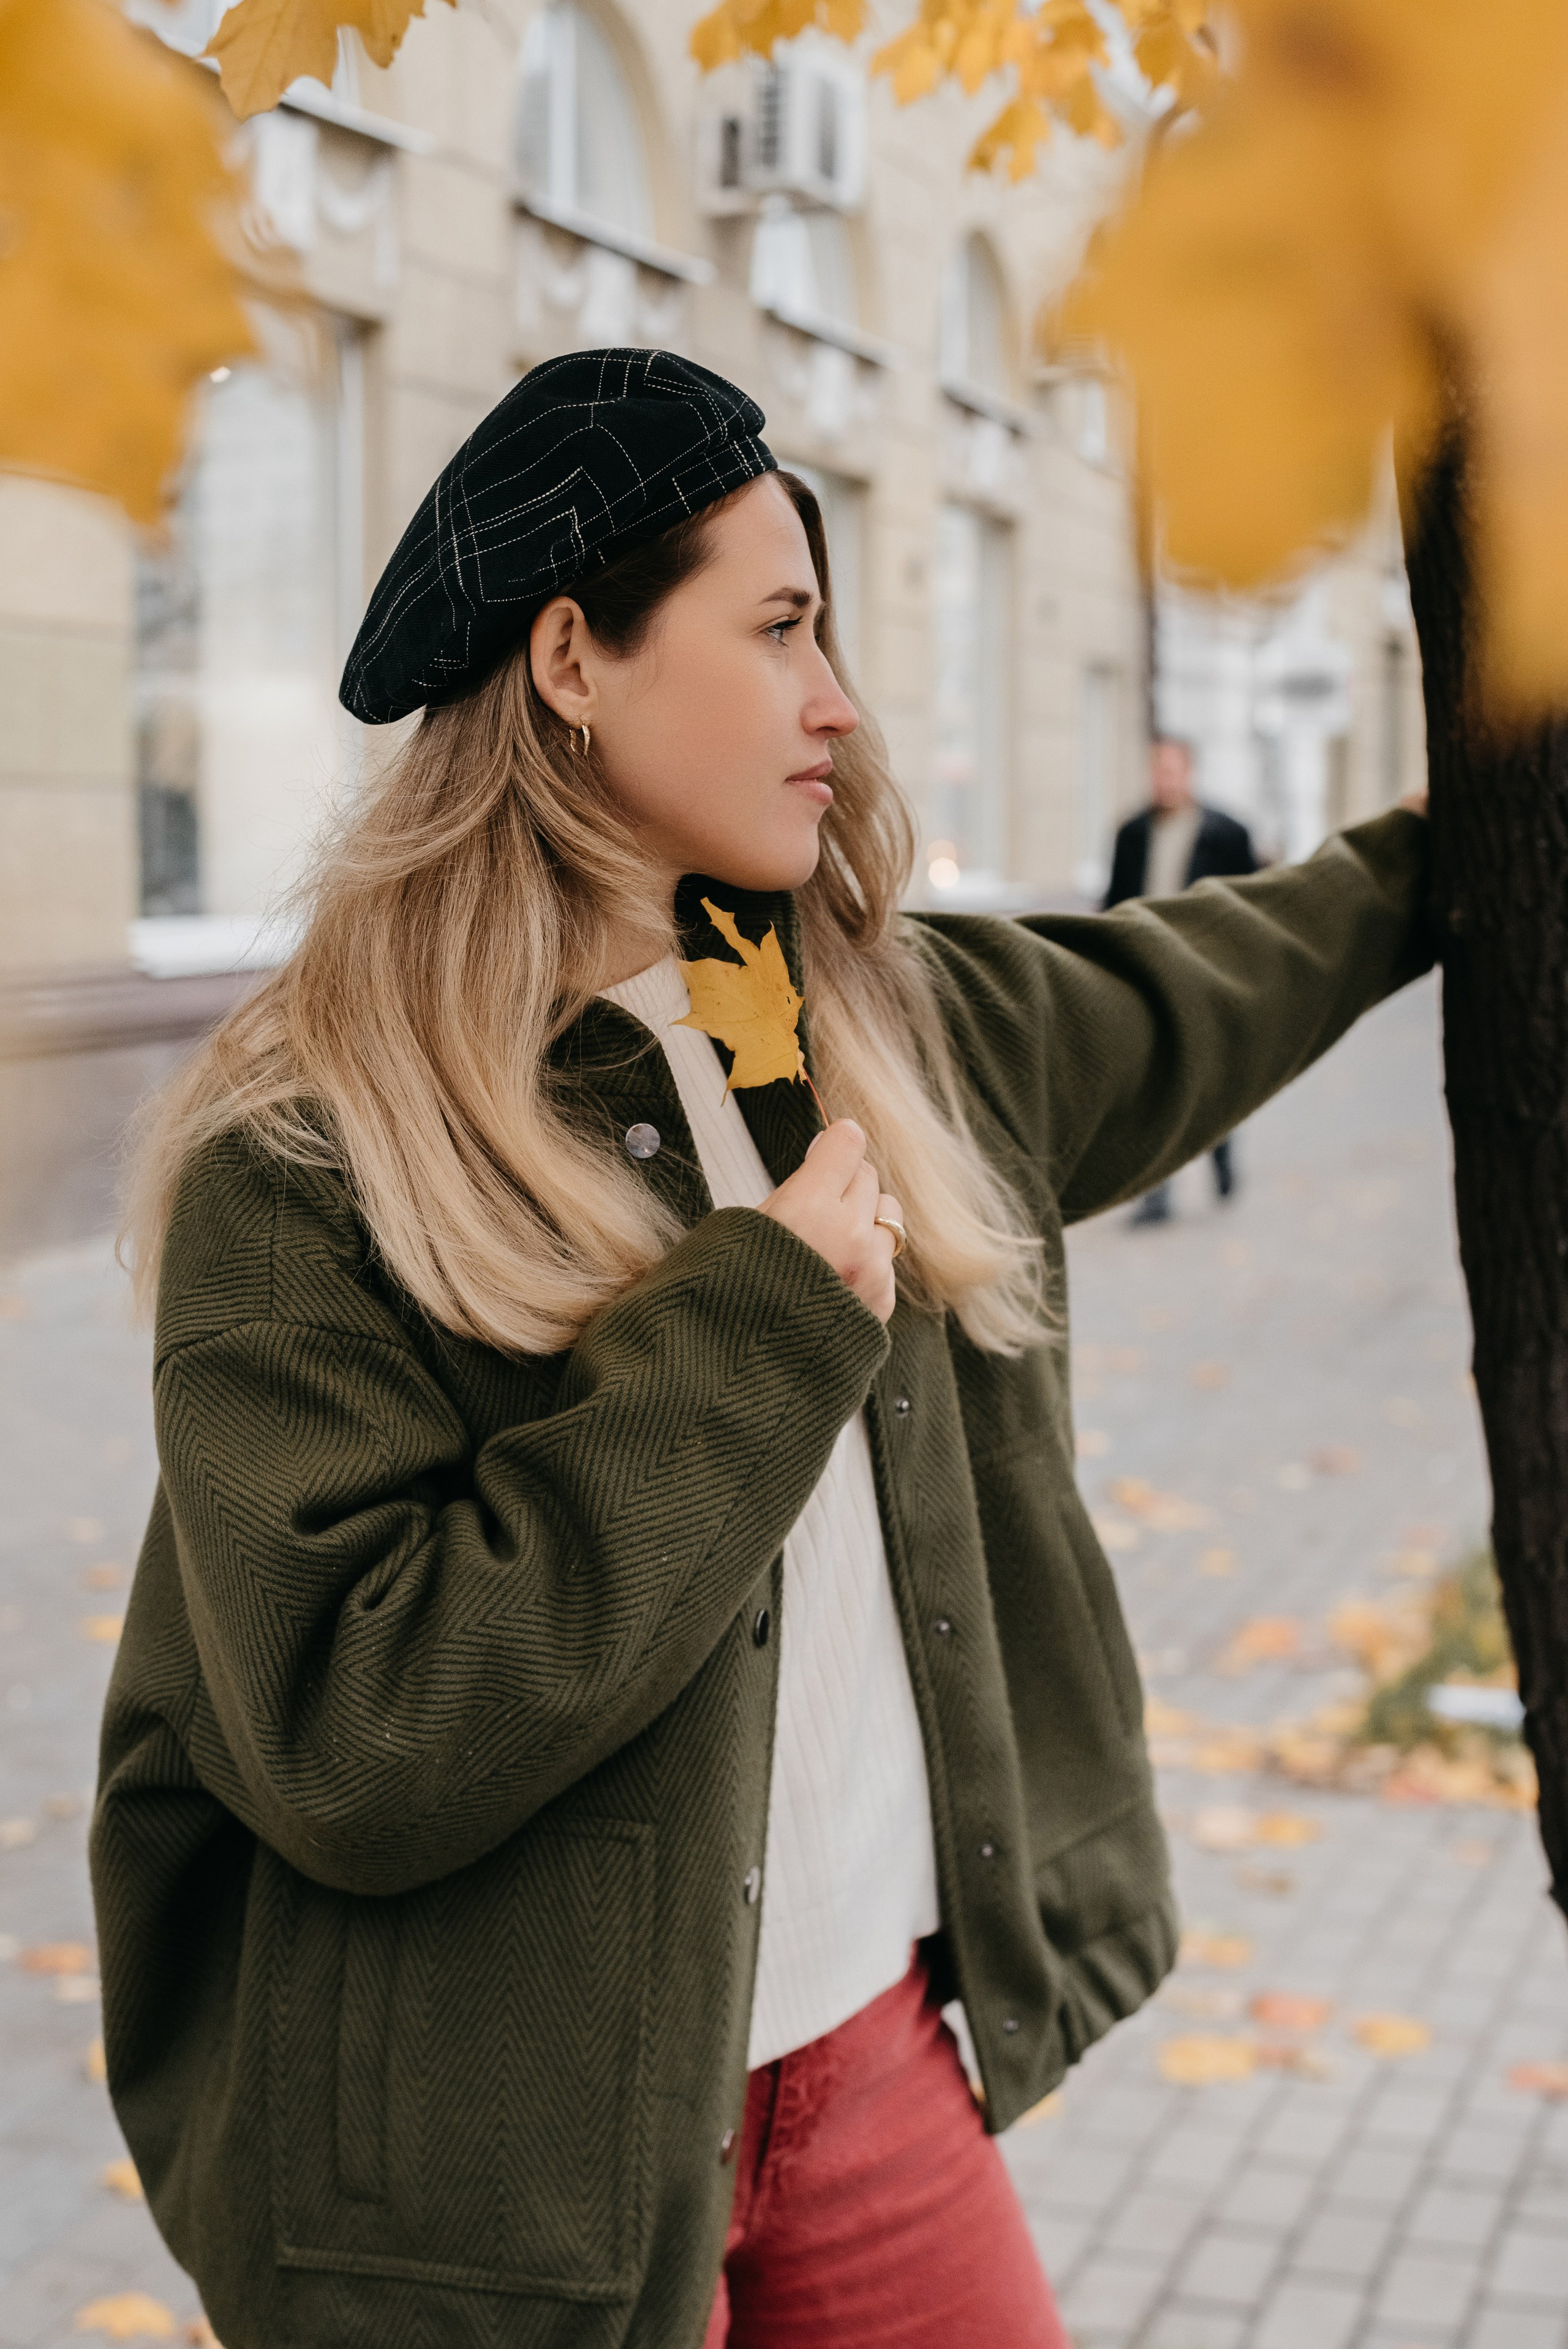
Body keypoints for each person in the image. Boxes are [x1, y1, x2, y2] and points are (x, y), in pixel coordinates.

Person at [93, 350, 1431, 2349]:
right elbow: (357, 1731)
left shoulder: (856, 1020)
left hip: (864, 2058)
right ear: (574, 657)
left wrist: (1456, 844)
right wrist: (757, 1327)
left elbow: (1206, 984)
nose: (839, 701)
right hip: (496, 2181)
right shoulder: (317, 1152)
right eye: (784, 625)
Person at [1104, 734, 1259, 1223]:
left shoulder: (1228, 834)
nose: (1164, 780)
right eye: (1158, 770)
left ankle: (1220, 1149)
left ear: (1189, 773)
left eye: (1172, 770)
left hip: (1202, 975)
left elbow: (1246, 912)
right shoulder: (1131, 832)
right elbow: (1113, 902)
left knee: (1207, 1082)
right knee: (1153, 1083)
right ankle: (1156, 1191)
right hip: (1144, 974)